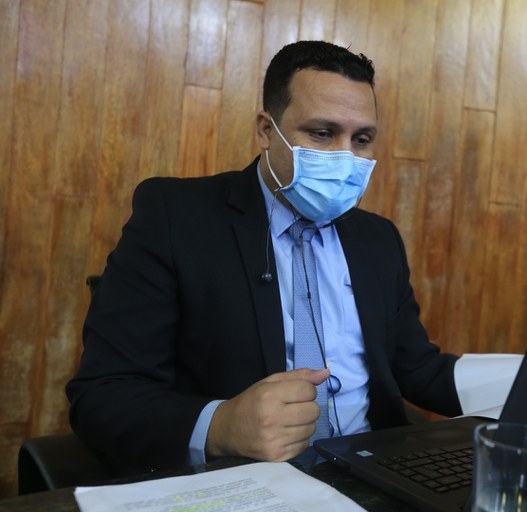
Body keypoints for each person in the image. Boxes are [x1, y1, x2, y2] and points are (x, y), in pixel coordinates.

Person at [66, 40, 461, 476]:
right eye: (322, 133)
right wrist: (220, 426)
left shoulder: (378, 239)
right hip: (244, 482)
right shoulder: (176, 218)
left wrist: (515, 382)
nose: (345, 157)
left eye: (362, 139)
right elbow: (103, 395)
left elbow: (415, 367)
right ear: (266, 131)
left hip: (372, 475)